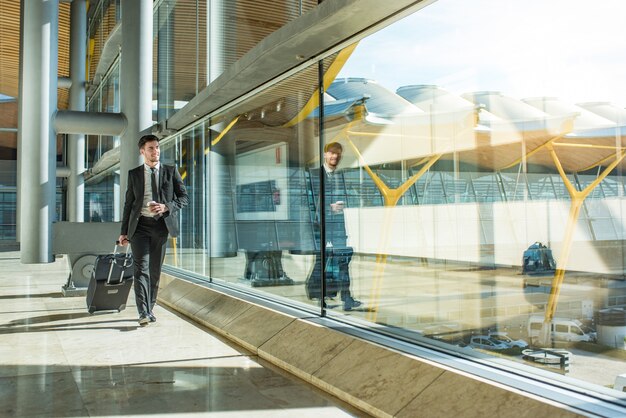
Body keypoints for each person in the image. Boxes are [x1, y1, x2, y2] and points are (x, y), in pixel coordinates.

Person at [118, 134, 188, 326]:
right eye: (150, 148)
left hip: (161, 227)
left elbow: (183, 198)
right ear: (142, 151)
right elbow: (129, 204)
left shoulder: (170, 171)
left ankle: (149, 307)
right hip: (139, 227)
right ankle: (143, 312)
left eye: (157, 147)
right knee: (141, 269)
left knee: (154, 271)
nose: (155, 151)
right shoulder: (134, 174)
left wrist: (166, 207)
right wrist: (124, 232)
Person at [306, 142, 362, 311]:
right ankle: (318, 295)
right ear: (324, 154)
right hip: (321, 226)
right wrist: (328, 207)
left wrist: (345, 203)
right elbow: (309, 202)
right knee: (321, 261)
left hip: (338, 226)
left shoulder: (340, 176)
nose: (335, 157)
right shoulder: (314, 174)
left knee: (343, 261)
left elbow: (347, 196)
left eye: (337, 154)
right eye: (331, 153)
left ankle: (346, 298)